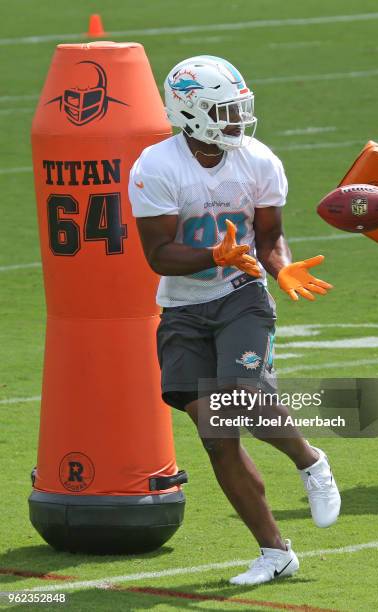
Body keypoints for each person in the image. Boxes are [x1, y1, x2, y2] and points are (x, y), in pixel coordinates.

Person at [128, 55, 341, 585]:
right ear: (190, 112)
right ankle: (275, 553)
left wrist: (283, 267)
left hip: (242, 293)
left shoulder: (258, 159)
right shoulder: (155, 166)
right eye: (223, 111)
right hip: (182, 306)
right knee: (216, 436)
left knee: (241, 391)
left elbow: (267, 238)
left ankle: (311, 462)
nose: (236, 121)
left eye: (237, 109)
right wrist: (215, 256)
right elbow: (158, 255)